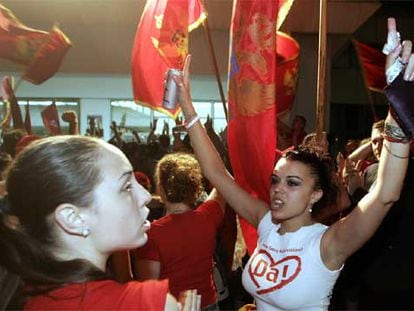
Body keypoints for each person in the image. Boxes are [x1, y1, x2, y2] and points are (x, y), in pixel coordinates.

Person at [174, 17, 413, 310]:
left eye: (292, 183)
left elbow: (385, 194)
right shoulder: (266, 224)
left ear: (316, 194)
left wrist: (397, 114)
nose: (277, 189)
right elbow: (216, 173)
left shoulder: (328, 244)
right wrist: (187, 106)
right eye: (276, 180)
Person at [0, 135, 200, 310]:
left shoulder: (29, 298)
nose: (146, 196)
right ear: (73, 218)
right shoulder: (146, 304)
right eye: (126, 187)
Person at [134, 152, 225, 310]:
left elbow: (149, 288)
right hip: (209, 304)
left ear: (160, 188)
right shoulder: (209, 215)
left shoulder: (152, 234)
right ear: (196, 188)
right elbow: (222, 183)